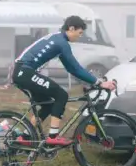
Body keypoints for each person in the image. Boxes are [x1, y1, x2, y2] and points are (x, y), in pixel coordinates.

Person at [11, 15, 116, 147]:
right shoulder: (61, 43)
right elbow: (75, 68)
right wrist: (99, 83)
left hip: (22, 72)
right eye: (79, 33)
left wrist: (91, 81)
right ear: (71, 28)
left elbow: (72, 69)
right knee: (61, 94)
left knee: (48, 104)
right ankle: (53, 137)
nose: (80, 37)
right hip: (25, 72)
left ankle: (25, 136)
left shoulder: (57, 38)